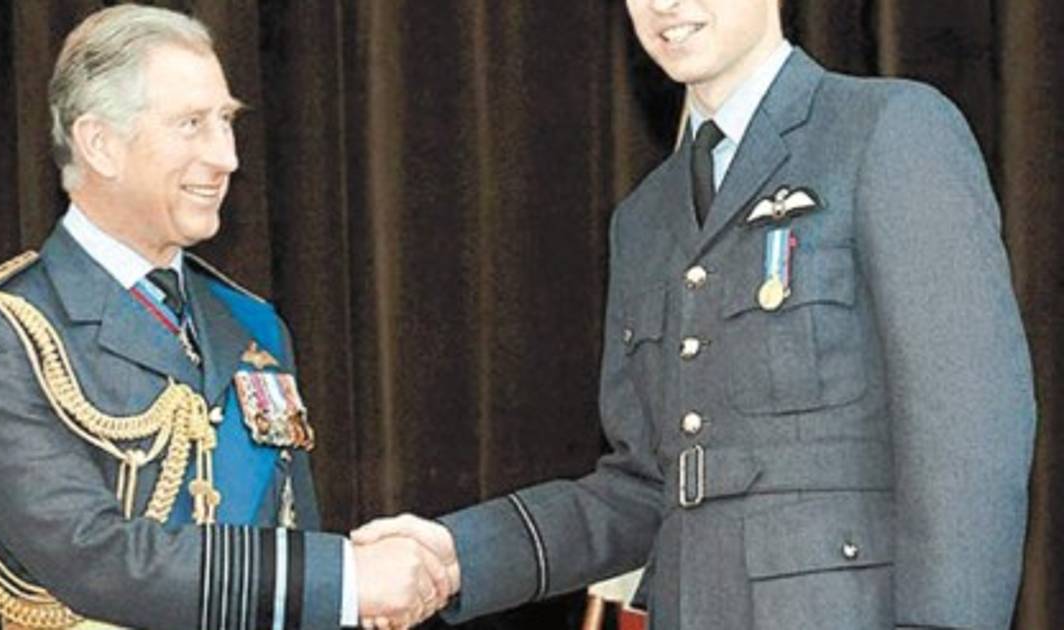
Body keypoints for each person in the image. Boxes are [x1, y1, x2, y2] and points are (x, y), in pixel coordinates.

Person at [353, 0, 1037, 628]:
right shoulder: (644, 218)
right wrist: (458, 555)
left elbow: (969, 431)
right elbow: (644, 488)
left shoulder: (887, 130)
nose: (665, 4)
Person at [0, 5, 453, 629]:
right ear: (100, 144)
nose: (227, 157)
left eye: (226, 121)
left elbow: (290, 532)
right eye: (192, 125)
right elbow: (93, 560)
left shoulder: (251, 325)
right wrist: (348, 580)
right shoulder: (0, 340)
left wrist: (349, 594)